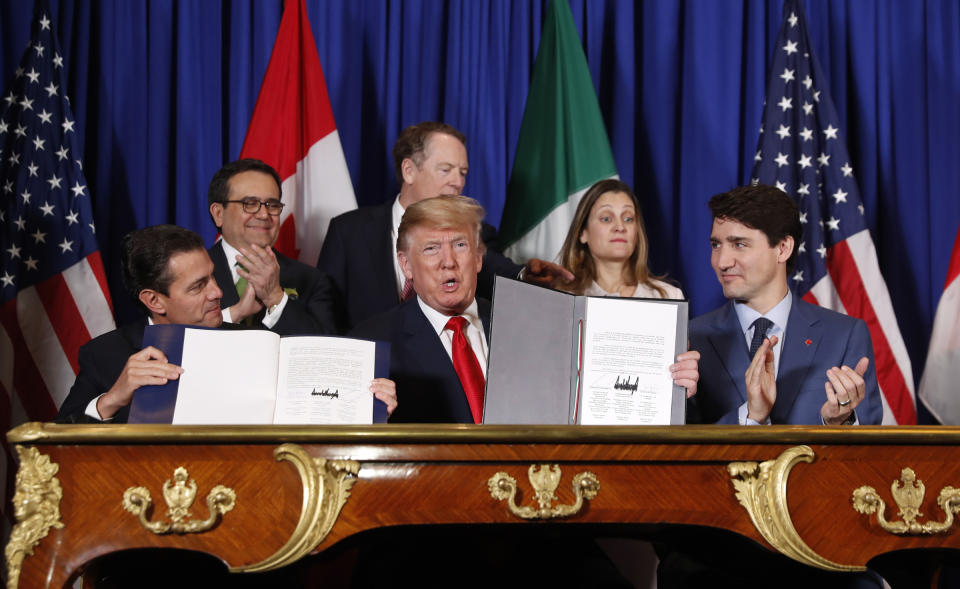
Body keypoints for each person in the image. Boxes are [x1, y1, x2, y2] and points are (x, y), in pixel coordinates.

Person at [55, 225, 396, 424]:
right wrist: (110, 401)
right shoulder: (106, 354)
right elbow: (55, 446)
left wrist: (370, 401)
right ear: (154, 300)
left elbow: (315, 397)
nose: (218, 292)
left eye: (213, 278)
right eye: (198, 286)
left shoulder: (256, 341)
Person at [318, 121, 572, 333]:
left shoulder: (475, 231)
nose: (457, 182)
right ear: (409, 171)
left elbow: (493, 267)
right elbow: (326, 313)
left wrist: (524, 276)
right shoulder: (348, 232)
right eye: (446, 170)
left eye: (463, 172)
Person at [689, 183, 883, 425]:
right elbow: (674, 450)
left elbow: (869, 450)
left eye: (739, 244)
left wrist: (837, 422)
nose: (722, 261)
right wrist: (750, 416)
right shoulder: (691, 338)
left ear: (783, 248)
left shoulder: (844, 336)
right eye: (716, 245)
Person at [556, 178, 699, 397]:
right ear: (582, 233)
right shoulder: (563, 298)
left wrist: (684, 382)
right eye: (606, 218)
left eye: (628, 219)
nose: (620, 227)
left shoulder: (668, 297)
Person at [207, 158, 337, 335]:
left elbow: (321, 352)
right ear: (218, 213)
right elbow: (176, 335)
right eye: (250, 204)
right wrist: (234, 314)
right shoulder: (187, 275)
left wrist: (275, 298)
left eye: (272, 205)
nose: (263, 214)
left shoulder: (311, 280)